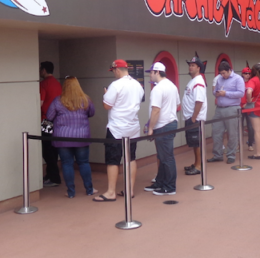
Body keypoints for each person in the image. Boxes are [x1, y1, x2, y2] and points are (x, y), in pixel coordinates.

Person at [95, 60, 144, 202]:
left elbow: (106, 106)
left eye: (113, 71)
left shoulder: (115, 85)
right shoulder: (137, 85)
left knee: (113, 160)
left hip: (116, 128)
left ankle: (111, 192)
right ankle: (130, 190)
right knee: (131, 158)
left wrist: (105, 94)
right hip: (133, 127)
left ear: (117, 70)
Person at [45, 76, 96, 198]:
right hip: (81, 137)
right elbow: (92, 113)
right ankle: (89, 189)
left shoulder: (58, 101)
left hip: (63, 137)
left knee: (66, 164)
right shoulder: (86, 99)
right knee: (83, 163)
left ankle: (71, 192)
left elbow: (49, 116)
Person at [144, 62, 180, 196]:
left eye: (151, 72)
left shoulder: (158, 89)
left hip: (163, 125)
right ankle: (160, 181)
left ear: (157, 72)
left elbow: (156, 110)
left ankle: (169, 186)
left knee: (166, 157)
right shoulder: (172, 85)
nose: (150, 75)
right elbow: (177, 104)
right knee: (163, 156)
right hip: (170, 122)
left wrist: (151, 128)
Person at [210, 62, 245, 164]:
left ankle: (231, 155)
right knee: (216, 131)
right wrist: (216, 93)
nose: (222, 75)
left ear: (230, 70)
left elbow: (241, 93)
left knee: (232, 133)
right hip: (219, 108)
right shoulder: (219, 79)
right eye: (221, 73)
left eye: (224, 73)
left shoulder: (238, 79)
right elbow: (214, 91)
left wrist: (226, 93)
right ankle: (217, 154)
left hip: (232, 108)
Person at [182, 54, 209, 176]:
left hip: (195, 118)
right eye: (190, 65)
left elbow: (199, 101)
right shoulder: (193, 80)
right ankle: (196, 163)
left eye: (193, 65)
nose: (190, 67)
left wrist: (194, 117)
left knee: (197, 143)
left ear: (199, 68)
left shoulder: (198, 82)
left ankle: (199, 166)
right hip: (191, 117)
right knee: (194, 143)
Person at [39, 62, 62, 187]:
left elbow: (40, 103)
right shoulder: (57, 83)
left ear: (44, 70)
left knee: (46, 149)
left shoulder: (43, 84)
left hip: (46, 120)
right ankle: (50, 175)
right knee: (53, 148)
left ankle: (54, 176)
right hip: (57, 120)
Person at [241, 67, 257, 151]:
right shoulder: (239, 82)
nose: (247, 75)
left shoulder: (252, 82)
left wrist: (247, 103)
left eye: (248, 73)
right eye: (245, 73)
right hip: (240, 107)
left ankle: (250, 143)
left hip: (249, 106)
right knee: (239, 127)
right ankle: (239, 144)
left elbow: (254, 95)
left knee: (250, 127)